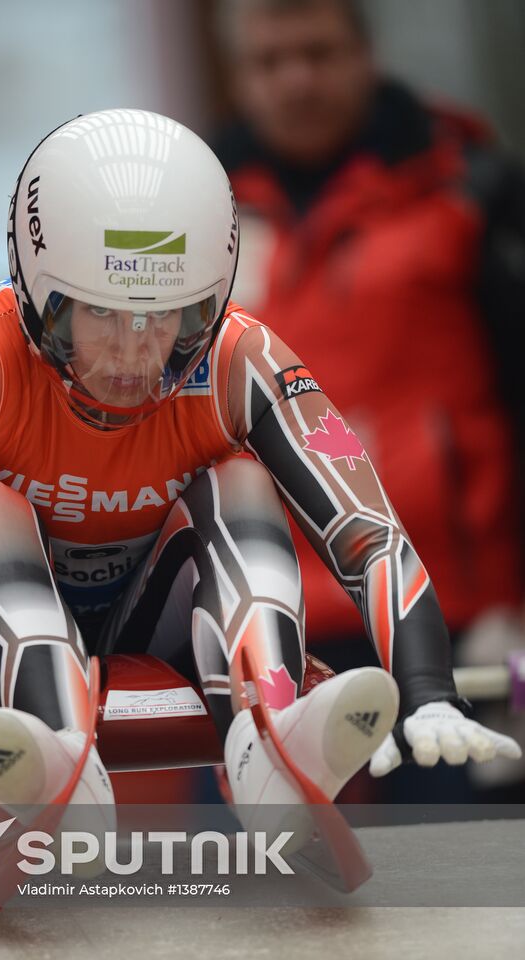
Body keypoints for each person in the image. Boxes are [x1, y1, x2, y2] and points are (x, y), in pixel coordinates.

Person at [0, 109, 519, 830]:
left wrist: (430, 691)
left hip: (150, 619)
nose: (133, 355)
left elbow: (370, 532)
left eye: (172, 318)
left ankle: (269, 742)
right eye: (97, 315)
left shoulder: (244, 354)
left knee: (240, 482)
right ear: (36, 295)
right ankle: (56, 756)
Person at [211, 0, 525, 680]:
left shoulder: (469, 189)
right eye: (269, 61)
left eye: (318, 53)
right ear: (238, 77)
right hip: (272, 617)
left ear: (364, 56)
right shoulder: (200, 218)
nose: (296, 80)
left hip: (459, 611)